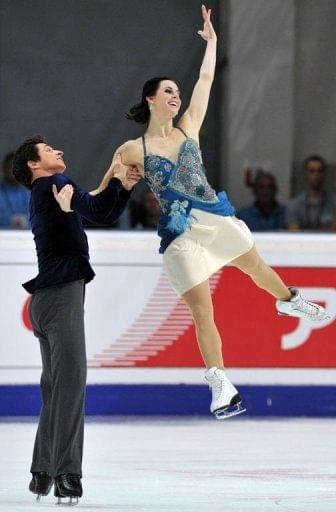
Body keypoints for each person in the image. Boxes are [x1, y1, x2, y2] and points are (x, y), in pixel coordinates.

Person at [57, 6, 328, 420]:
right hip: (181, 233)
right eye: (168, 91)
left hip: (215, 219)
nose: (176, 95)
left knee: (257, 268)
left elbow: (206, 79)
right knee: (204, 310)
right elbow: (100, 192)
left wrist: (213, 42)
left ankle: (289, 301)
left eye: (176, 92)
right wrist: (70, 203)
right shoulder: (134, 150)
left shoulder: (189, 127)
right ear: (151, 99)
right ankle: (220, 385)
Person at [12, 135, 139, 503]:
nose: (60, 150)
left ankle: (42, 471)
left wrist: (121, 184)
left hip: (47, 300)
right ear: (34, 165)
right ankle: (67, 472)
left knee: (56, 387)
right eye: (50, 150)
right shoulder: (55, 184)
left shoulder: (46, 190)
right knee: (70, 384)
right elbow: (100, 211)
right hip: (62, 296)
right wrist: (117, 180)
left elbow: (101, 209)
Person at [287, 155, 336, 231]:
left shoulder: (334, 202)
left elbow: (333, 234)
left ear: (325, 173)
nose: (316, 175)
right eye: (312, 171)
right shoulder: (295, 205)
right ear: (306, 174)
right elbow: (294, 235)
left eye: (320, 171)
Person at [0, 151, 30, 228]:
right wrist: (10, 221)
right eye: (12, 166)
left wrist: (26, 221)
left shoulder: (30, 193)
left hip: (28, 237)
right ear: (3, 169)